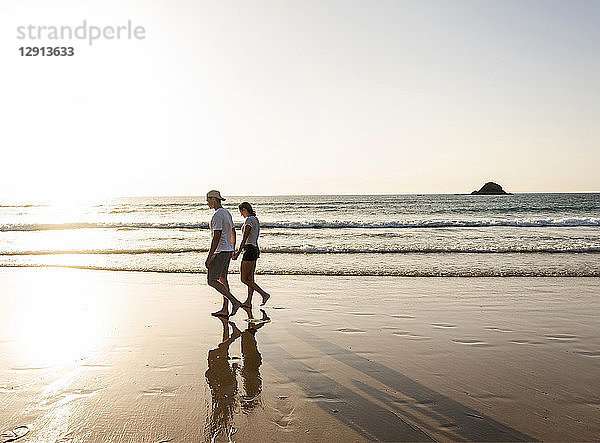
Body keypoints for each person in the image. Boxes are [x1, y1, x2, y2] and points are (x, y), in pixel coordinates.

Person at [205, 190, 242, 317]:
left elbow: (216, 237)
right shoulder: (226, 213)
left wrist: (209, 257)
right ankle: (225, 309)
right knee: (222, 279)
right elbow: (233, 231)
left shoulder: (217, 215)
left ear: (214, 199)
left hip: (220, 251)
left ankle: (234, 301)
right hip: (227, 250)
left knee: (211, 280)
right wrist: (232, 247)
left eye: (208, 200)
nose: (207, 202)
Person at [232, 202, 270, 307]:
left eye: (241, 212)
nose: (241, 215)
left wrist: (238, 252)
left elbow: (244, 238)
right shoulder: (255, 219)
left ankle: (264, 294)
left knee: (244, 279)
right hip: (255, 248)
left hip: (249, 250)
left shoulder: (249, 220)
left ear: (244, 209)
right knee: (250, 278)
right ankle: (249, 301)